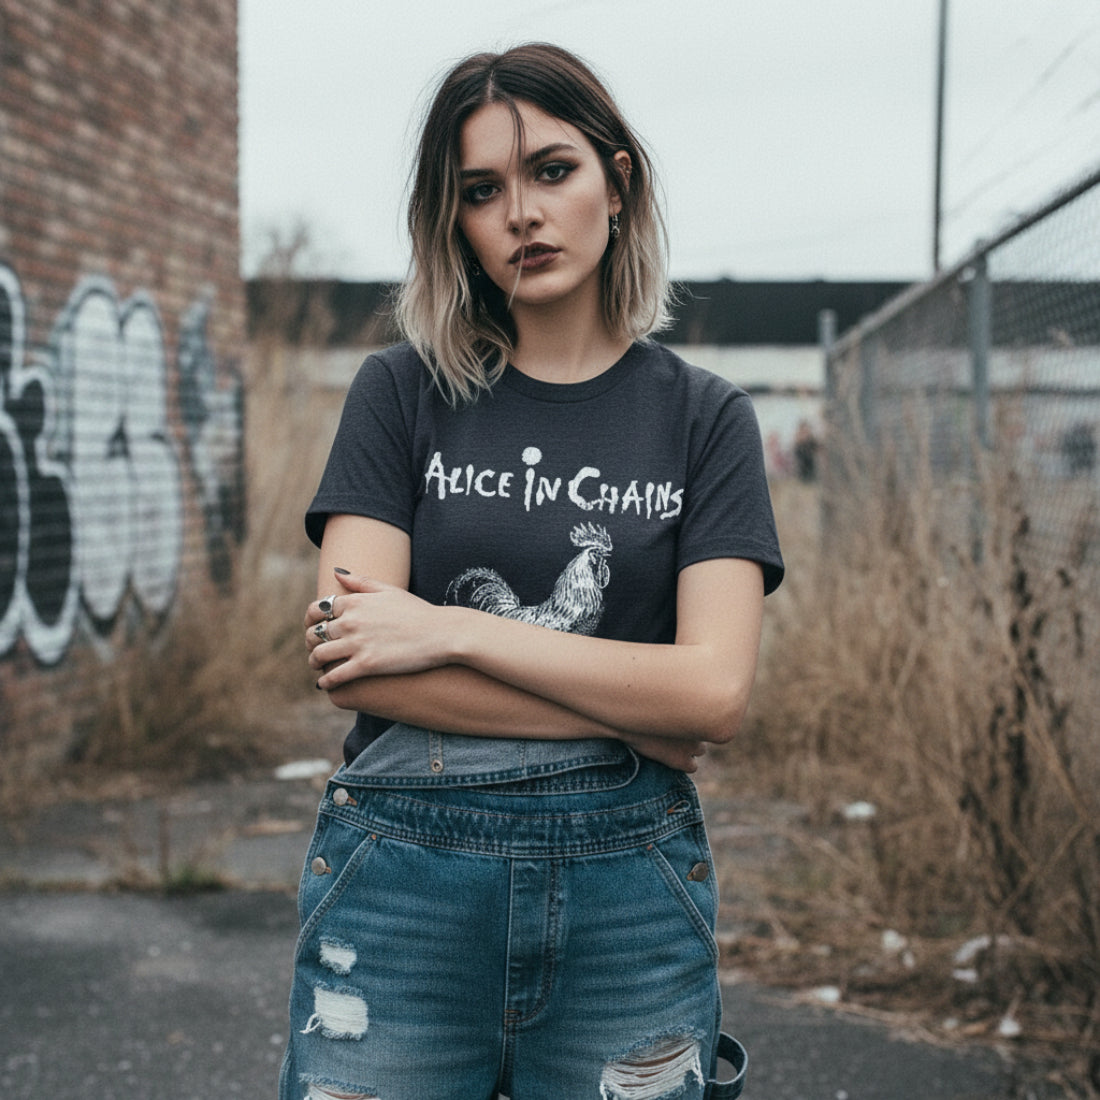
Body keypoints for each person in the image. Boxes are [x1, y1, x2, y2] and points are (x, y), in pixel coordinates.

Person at [282, 42, 783, 1100]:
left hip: (628, 895)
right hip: (400, 881)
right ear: (453, 221)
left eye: (551, 170)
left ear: (617, 180)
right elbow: (357, 660)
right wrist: (638, 711)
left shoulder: (704, 418)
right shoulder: (398, 393)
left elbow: (715, 692)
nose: (520, 213)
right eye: (481, 190)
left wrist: (453, 629)